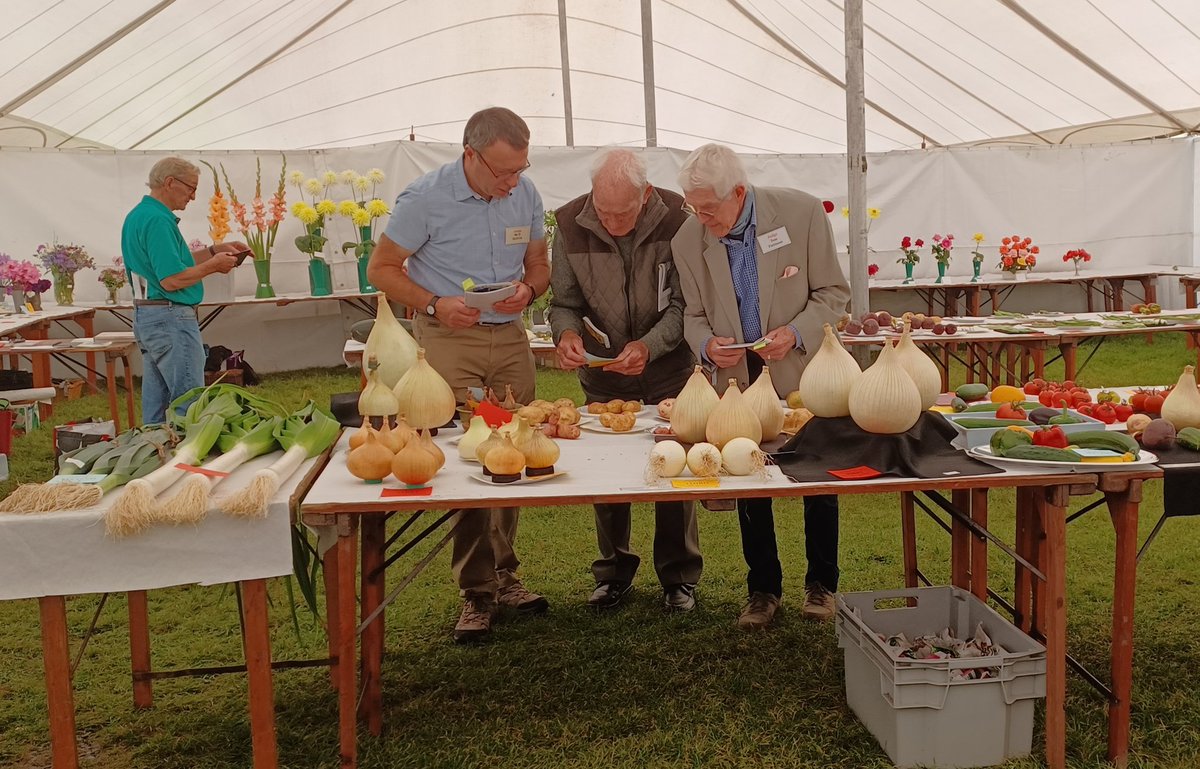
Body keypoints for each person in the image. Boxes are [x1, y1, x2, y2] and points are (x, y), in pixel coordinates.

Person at [366, 107, 551, 644]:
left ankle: (504, 574)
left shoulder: (526, 193)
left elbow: (539, 261)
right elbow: (379, 269)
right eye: (501, 172)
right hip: (449, 343)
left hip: (511, 340)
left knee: (512, 448)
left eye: (520, 169)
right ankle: (477, 591)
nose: (512, 182)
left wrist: (530, 290)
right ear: (469, 154)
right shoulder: (425, 198)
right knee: (467, 452)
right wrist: (433, 305)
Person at [670, 144, 850, 629]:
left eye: (709, 208)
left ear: (740, 192)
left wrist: (795, 333)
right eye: (693, 207)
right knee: (748, 478)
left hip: (800, 375)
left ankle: (822, 585)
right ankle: (763, 589)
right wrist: (708, 345)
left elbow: (834, 293)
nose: (701, 218)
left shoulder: (802, 213)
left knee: (818, 476)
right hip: (736, 383)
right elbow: (692, 314)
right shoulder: (688, 240)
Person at [550, 148, 703, 612]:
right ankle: (614, 572)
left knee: (672, 466)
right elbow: (563, 301)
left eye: (624, 213)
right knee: (604, 469)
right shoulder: (571, 221)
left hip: (669, 368)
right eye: (604, 211)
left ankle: (678, 577)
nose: (613, 222)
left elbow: (685, 302)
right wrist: (567, 334)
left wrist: (649, 347)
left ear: (647, 195)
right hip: (602, 370)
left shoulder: (679, 217)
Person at [121, 156, 247, 425]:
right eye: (191, 188)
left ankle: (154, 454)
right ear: (169, 183)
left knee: (156, 405)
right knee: (188, 402)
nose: (192, 196)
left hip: (148, 315)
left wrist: (214, 250)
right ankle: (185, 460)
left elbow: (169, 266)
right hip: (171, 317)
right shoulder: (158, 221)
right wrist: (213, 266)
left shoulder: (140, 216)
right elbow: (172, 280)